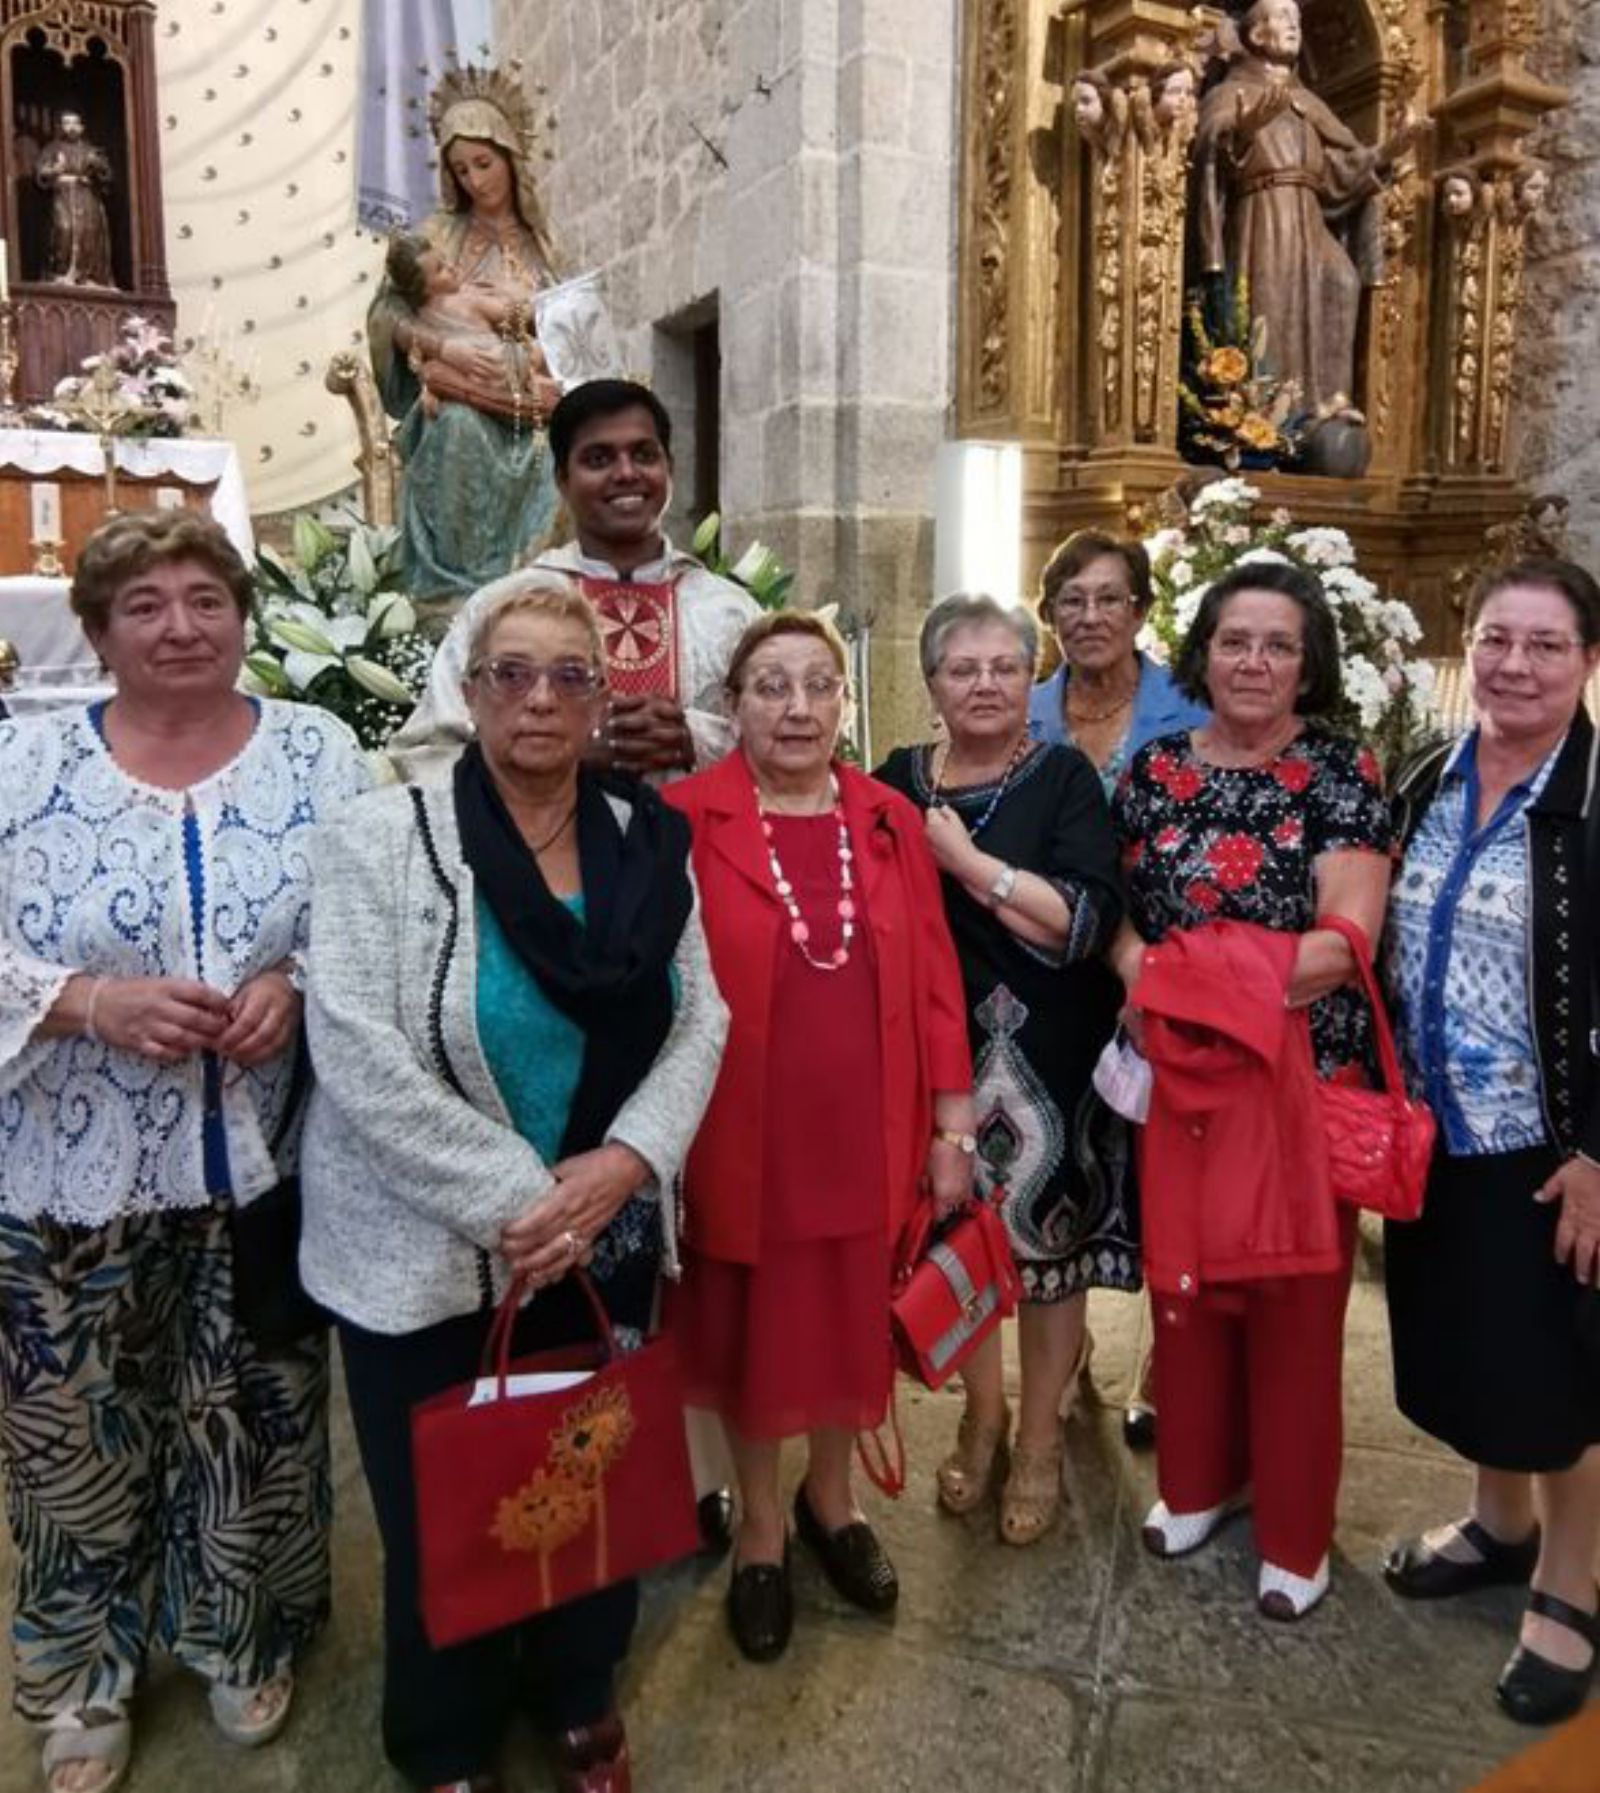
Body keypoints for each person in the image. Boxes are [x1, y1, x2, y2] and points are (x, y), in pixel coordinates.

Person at [300, 573, 727, 1793]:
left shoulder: (646, 839)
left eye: (568, 676)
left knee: (584, 1479)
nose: (540, 698)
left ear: (601, 700)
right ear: (471, 690)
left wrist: (626, 1164)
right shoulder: (379, 836)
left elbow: (701, 1017)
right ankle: (445, 1738)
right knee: (450, 1508)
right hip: (426, 1252)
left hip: (601, 1235)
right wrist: (523, 1200)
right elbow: (357, 1051)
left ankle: (579, 1692)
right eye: (512, 673)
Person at [0, 512, 370, 1793]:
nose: (179, 623)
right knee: (76, 1434)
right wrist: (87, 1003)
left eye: (205, 596)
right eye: (144, 602)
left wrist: (299, 982)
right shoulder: (20, 764)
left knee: (257, 1413)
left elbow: (379, 909)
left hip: (262, 1168)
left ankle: (242, 1630)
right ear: (96, 630)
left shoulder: (317, 752)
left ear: (242, 616)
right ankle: (81, 1674)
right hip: (65, 1168)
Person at [664, 611, 975, 1662]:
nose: (796, 707)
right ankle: (760, 1525)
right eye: (769, 686)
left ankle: (831, 1502)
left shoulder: (888, 817)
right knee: (754, 1330)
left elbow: (936, 976)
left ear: (845, 701)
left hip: (868, 1127)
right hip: (737, 1136)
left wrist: (951, 1125)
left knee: (846, 1319)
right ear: (733, 705)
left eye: (816, 685)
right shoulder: (683, 818)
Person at [1111, 560, 1392, 1620]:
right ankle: (1195, 1480)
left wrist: (1189, 979)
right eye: (1235, 639)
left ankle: (1293, 1526)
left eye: (1278, 643)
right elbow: (1123, 916)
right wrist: (1146, 971)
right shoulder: (1152, 769)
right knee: (1185, 1293)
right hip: (1184, 1079)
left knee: (1292, 1305)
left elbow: (1342, 941)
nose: (1254, 662)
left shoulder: (1338, 771)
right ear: (1203, 650)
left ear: (1308, 660)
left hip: (1301, 1083)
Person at [1382, 559, 1600, 1726]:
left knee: (1563, 1370)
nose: (1513, 665)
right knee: (1472, 1343)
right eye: (1495, 640)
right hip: (1434, 1130)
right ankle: (1499, 1521)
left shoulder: (1596, 797)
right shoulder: (1428, 774)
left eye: (1545, 645)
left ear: (1587, 661)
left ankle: (1570, 1586)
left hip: (1550, 1143)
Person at [876, 595, 1126, 1545]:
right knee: (957, 1241)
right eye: (962, 668)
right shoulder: (893, 778)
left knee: (1048, 1250)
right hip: (931, 1059)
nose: (983, 683)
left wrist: (967, 864)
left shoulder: (1062, 776)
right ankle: (981, 1418)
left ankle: (1040, 1441)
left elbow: (1083, 921)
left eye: (1004, 667)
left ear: (1033, 678)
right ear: (931, 682)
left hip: (1048, 1055)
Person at [1029, 530, 1207, 1447]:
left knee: (1168, 1171)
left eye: (1109, 598)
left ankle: (1164, 1357)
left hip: (1164, 968)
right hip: (1054, 973)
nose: (1089, 616)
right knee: (1064, 1159)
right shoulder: (1023, 708)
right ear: (1048, 613)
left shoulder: (1190, 703)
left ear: (1140, 610)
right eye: (1071, 600)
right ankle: (1067, 1346)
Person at [392, 379, 762, 784]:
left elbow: (801, 748)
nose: (626, 473)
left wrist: (697, 739)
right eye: (598, 459)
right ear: (562, 479)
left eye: (643, 454)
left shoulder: (729, 611)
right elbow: (424, 758)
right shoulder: (501, 607)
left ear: (669, 469)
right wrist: (555, 752)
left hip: (704, 845)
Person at [367, 62, 564, 603]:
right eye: (461, 169)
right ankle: (456, 590)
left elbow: (567, 327)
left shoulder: (544, 248)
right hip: (454, 398)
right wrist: (441, 346)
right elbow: (386, 315)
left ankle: (532, 582)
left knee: (563, 446)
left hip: (531, 404)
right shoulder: (436, 235)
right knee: (459, 426)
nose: (475, 180)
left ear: (509, 159)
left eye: (484, 163)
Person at [1194, 0, 1415, 417]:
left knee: (1343, 280)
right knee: (1270, 301)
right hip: (1265, 212)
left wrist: (1386, 151)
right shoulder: (1230, 92)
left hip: (1309, 215)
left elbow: (1337, 171)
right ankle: (1266, 414)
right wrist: (1241, 131)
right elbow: (1209, 146)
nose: (1295, 26)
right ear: (1257, 34)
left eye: (1297, 20)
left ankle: (1329, 402)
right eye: (1282, 18)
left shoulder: (1310, 103)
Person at [383, 230, 552, 419]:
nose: (452, 267)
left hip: (472, 377)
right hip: (499, 364)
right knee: (544, 348)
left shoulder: (420, 317)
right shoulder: (464, 300)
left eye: (445, 260)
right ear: (423, 287)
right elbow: (515, 315)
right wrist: (529, 296)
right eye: (441, 269)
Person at [37, 110, 115, 287]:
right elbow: (41, 173)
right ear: (61, 127)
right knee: (64, 228)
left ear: (81, 127)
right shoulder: (52, 149)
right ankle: (59, 272)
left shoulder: (91, 150)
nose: (71, 127)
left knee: (89, 231)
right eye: (66, 123)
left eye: (74, 123)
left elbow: (107, 175)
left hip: (86, 195)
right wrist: (55, 170)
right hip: (63, 194)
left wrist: (97, 166)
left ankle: (86, 276)